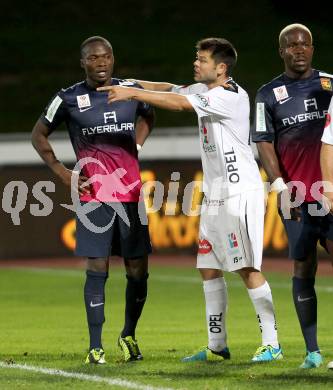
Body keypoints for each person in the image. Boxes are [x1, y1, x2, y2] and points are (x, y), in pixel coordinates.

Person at [99, 37, 282, 362]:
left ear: (221, 68)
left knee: (247, 267)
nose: (196, 63)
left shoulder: (230, 96)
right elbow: (170, 88)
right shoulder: (203, 91)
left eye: (202, 59)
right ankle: (216, 346)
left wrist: (131, 93)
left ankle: (272, 343)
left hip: (239, 193)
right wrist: (127, 82)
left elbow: (178, 104)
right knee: (209, 267)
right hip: (215, 196)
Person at [31, 36, 154, 364]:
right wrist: (62, 172)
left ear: (113, 59)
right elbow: (38, 133)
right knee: (97, 267)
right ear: (83, 62)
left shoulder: (130, 90)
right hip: (94, 196)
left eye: (106, 57)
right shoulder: (68, 98)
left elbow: (149, 115)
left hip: (131, 195)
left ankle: (128, 334)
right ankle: (95, 346)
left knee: (138, 270)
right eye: (94, 58)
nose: (101, 62)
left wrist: (137, 146)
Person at [252, 23, 333, 369]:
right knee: (304, 267)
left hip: (331, 193)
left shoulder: (330, 85)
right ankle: (312, 351)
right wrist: (280, 185)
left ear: (312, 48)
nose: (299, 50)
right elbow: (263, 140)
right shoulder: (267, 94)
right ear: (281, 51)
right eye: (291, 46)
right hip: (296, 196)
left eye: (305, 45)